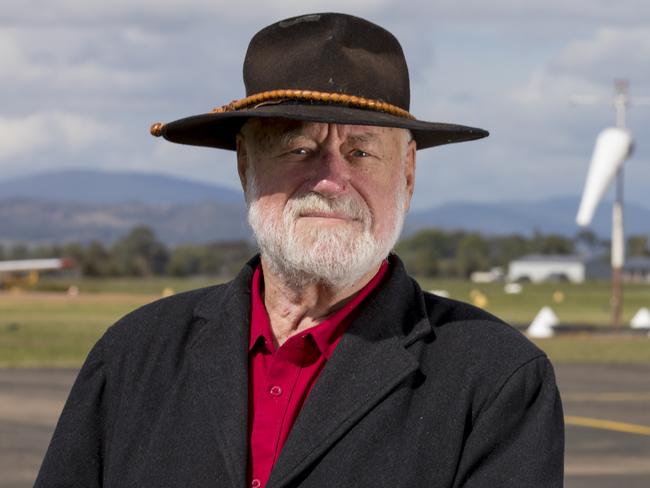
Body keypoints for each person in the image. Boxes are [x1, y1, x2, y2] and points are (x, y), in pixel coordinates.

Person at [36, 12, 564, 488]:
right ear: (245, 164)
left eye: (360, 151)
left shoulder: (497, 381)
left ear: (407, 173)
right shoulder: (134, 354)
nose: (332, 181)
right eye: (300, 149)